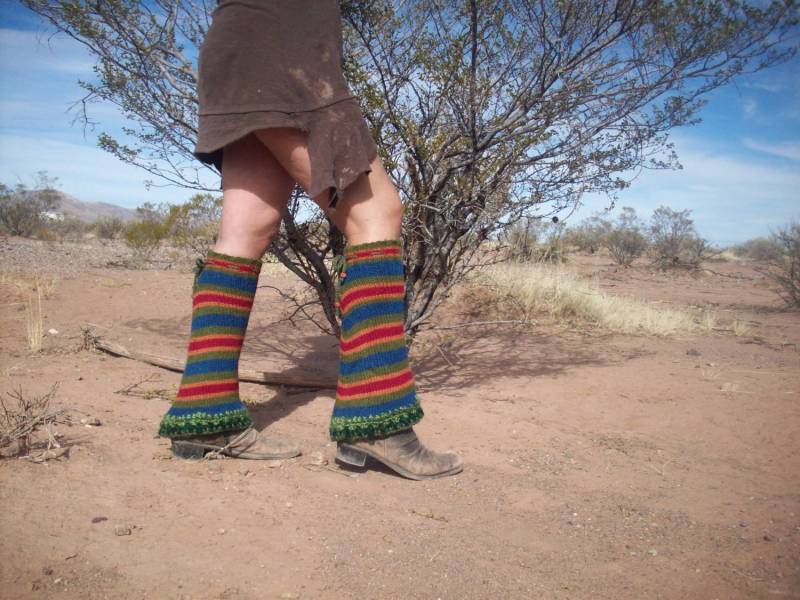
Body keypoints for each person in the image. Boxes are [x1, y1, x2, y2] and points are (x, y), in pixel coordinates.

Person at [156, 0, 462, 480]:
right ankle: (377, 420)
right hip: (285, 45)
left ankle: (205, 414)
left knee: (245, 228)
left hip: (233, 49)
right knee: (376, 213)